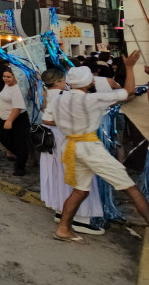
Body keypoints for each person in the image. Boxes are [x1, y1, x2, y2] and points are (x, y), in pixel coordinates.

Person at [52, 52, 149, 242]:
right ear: (89, 82)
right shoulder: (91, 99)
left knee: (80, 190)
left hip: (71, 147)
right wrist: (129, 67)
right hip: (90, 148)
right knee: (131, 188)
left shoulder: (59, 99)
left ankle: (63, 228)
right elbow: (129, 91)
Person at [39, 68, 104, 236]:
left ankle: (61, 210)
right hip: (66, 140)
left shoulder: (45, 96)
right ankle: (80, 218)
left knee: (58, 177)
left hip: (51, 143)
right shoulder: (64, 97)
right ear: (60, 81)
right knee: (77, 178)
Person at [0, 69, 29, 176]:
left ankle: (21, 166)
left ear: (15, 77)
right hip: (5, 117)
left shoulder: (17, 89)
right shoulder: (7, 85)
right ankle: (21, 156)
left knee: (20, 142)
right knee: (4, 139)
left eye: (8, 77)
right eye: (4, 76)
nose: (5, 78)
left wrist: (10, 120)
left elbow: (17, 107)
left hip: (17, 118)